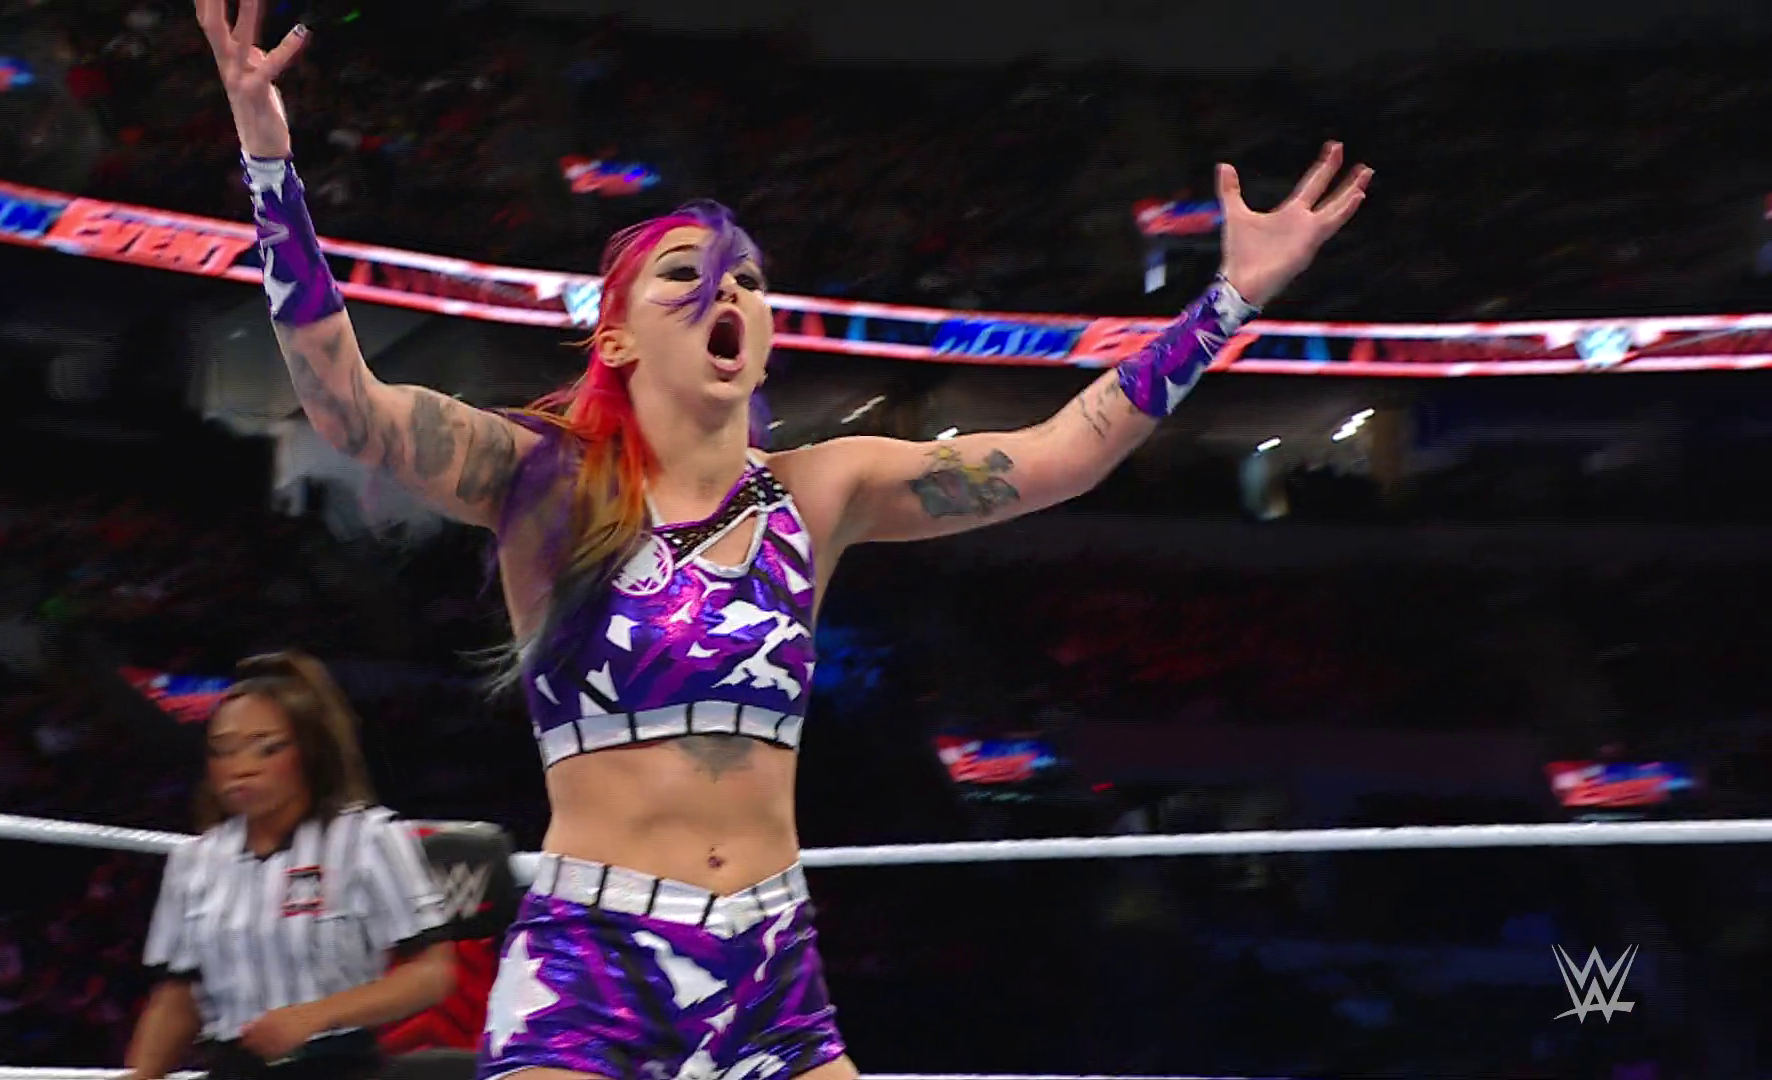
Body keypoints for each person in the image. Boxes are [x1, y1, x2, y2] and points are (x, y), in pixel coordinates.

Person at [194, 4, 1371, 1079]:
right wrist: (270, 165)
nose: (727, 292)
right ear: (616, 339)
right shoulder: (541, 478)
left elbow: (1064, 452)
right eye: (687, 275)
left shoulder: (823, 490)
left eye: (748, 281)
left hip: (771, 969)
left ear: (762, 338)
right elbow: (344, 402)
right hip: (595, 959)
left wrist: (1227, 302)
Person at [126, 651, 456, 1080]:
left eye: (266, 748)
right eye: (224, 750)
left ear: (308, 751)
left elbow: (432, 973)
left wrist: (317, 1015)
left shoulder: (367, 838)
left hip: (336, 1067)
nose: (242, 768)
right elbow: (177, 996)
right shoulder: (194, 861)